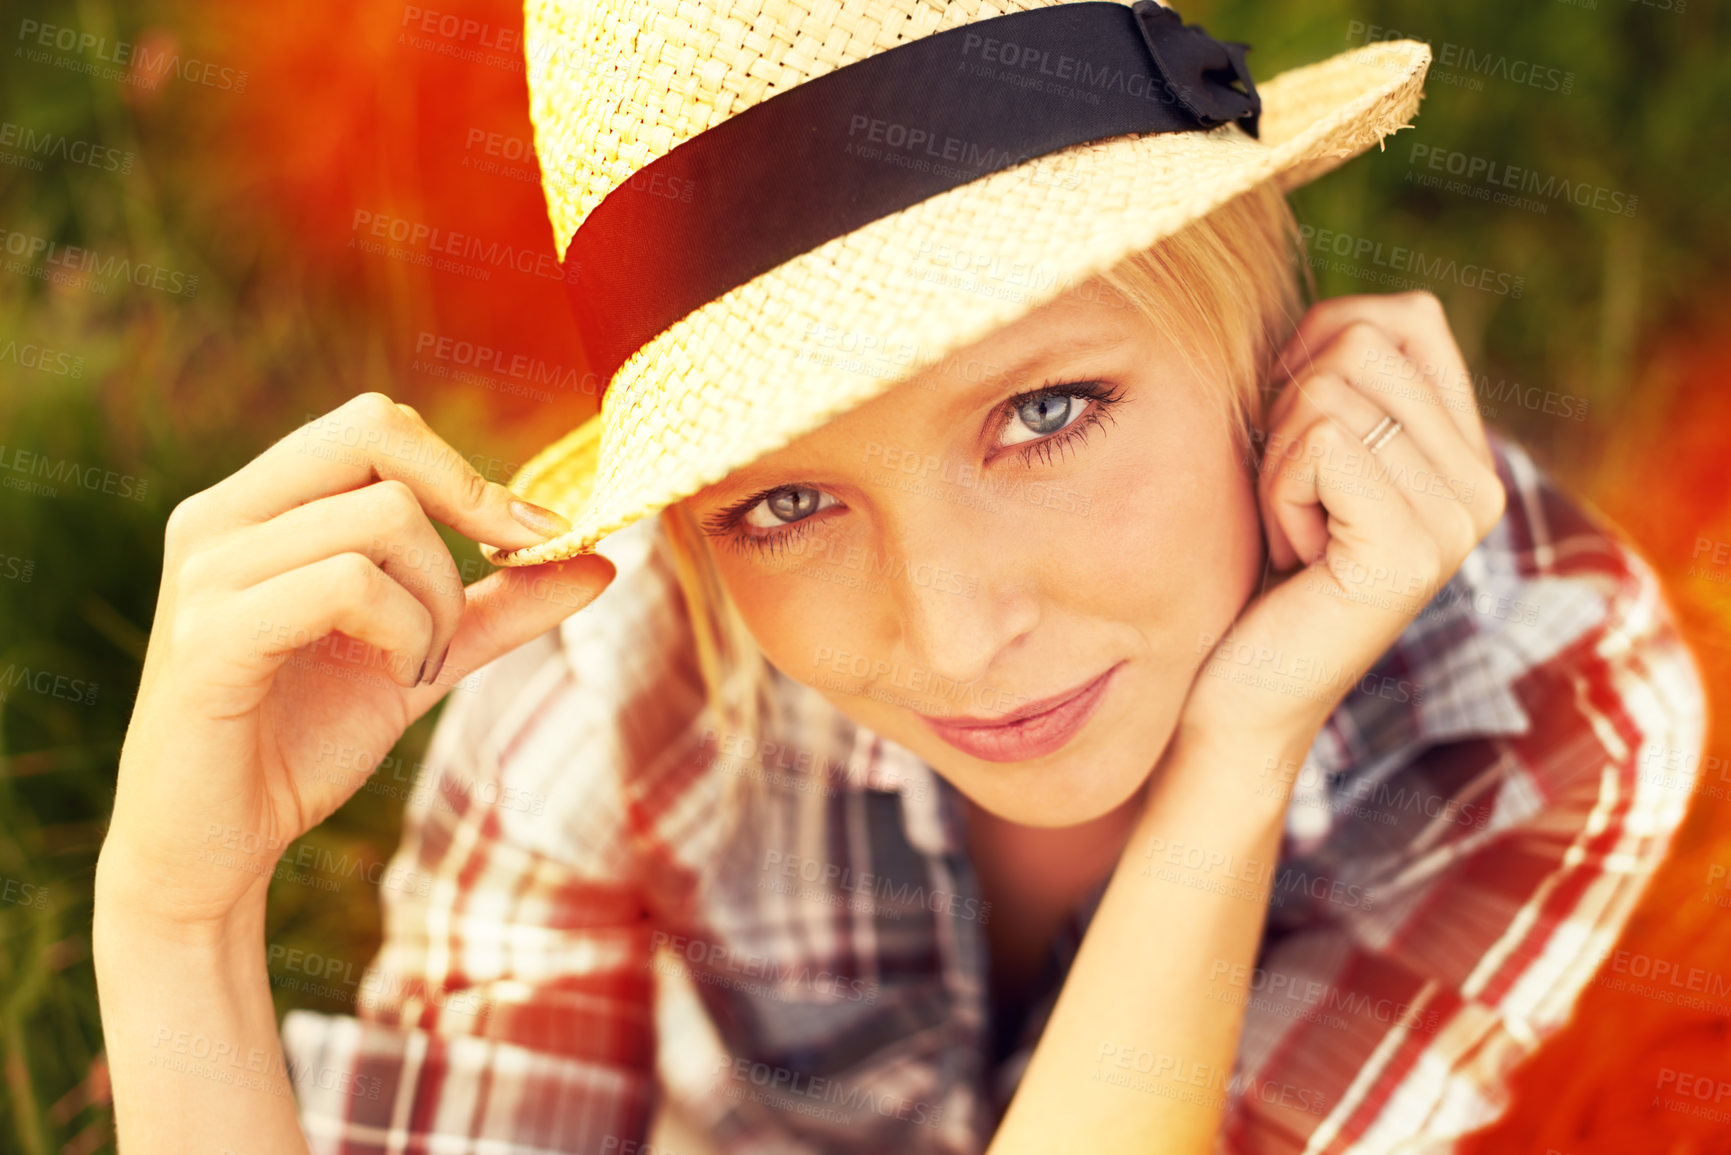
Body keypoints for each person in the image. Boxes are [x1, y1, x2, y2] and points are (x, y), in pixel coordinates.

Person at [91, 1, 1707, 1153]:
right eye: (783, 503)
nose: (953, 637)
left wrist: (1238, 766)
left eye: (1046, 410)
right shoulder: (614, 677)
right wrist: (175, 928)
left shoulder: (1545, 697)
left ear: (1256, 328)